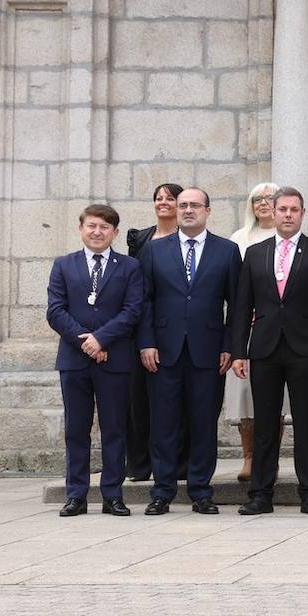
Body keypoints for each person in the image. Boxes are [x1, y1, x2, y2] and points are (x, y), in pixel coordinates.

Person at [230, 188, 308, 516]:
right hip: (264, 348)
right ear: (273, 213)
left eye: (294, 209)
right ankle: (261, 493)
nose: (288, 215)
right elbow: (242, 306)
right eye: (283, 209)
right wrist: (238, 351)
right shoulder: (256, 253)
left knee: (306, 422)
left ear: (303, 213)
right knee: (265, 422)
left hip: (304, 348)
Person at [135, 187, 241, 516]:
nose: (188, 210)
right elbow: (144, 302)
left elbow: (236, 306)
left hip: (209, 352)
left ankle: (201, 490)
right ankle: (162, 491)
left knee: (203, 423)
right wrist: (147, 342)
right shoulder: (154, 251)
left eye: (195, 205)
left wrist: (230, 346)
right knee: (163, 423)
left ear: (208, 211)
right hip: (163, 352)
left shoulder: (227, 250)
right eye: (183, 206)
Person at [48, 204, 145, 517]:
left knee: (114, 429)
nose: (97, 232)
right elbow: (55, 311)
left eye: (104, 227)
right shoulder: (64, 265)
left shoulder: (129, 267)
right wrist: (87, 342)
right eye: (91, 226)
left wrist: (102, 339)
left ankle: (112, 495)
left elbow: (132, 310)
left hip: (114, 360)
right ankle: (75, 495)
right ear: (81, 229)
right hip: (75, 361)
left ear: (115, 232)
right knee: (76, 430)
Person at [123, 182, 182, 483]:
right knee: (139, 397)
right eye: (158, 198)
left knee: (175, 399)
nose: (163, 203)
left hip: (178, 327)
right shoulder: (141, 238)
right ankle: (139, 464)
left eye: (170, 198)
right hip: (143, 324)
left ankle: (175, 463)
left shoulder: (188, 238)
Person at [226, 182, 279, 483]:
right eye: (257, 199)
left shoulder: (288, 237)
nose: (263, 204)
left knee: (276, 397)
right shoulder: (240, 239)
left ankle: (270, 459)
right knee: (245, 393)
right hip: (248, 324)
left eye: (270, 198)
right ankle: (249, 456)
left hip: (278, 325)